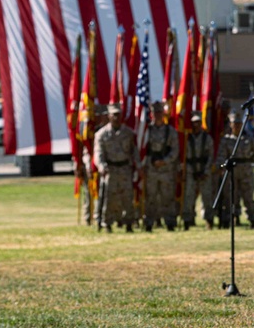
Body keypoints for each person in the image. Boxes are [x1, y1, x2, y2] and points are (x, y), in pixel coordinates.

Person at [214, 112, 254, 229]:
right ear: (230, 125)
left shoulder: (249, 139)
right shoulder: (226, 140)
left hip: (246, 171)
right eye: (234, 124)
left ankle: (252, 219)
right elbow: (221, 157)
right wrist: (222, 167)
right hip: (232, 172)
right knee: (232, 197)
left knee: (248, 197)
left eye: (239, 124)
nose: (236, 126)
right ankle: (235, 218)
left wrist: (250, 160)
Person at [94, 104, 137, 233]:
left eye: (118, 114)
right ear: (109, 116)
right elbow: (98, 153)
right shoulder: (101, 134)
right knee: (109, 198)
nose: (116, 117)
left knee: (127, 197)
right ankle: (106, 223)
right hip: (110, 169)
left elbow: (134, 151)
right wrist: (101, 166)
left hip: (124, 168)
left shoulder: (128, 133)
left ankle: (129, 223)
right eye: (114, 115)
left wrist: (138, 166)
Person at [143, 100, 179, 231]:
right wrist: (148, 163)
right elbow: (142, 150)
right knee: (151, 197)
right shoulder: (146, 131)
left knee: (167, 197)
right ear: (151, 113)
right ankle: (149, 223)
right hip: (151, 169)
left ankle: (170, 222)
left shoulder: (170, 131)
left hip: (166, 169)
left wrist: (165, 161)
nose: (157, 115)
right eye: (155, 112)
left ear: (163, 114)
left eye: (159, 112)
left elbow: (175, 150)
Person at [182, 112, 215, 229]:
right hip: (191, 172)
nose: (195, 125)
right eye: (193, 123)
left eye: (198, 122)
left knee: (207, 197)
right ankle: (187, 219)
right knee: (189, 197)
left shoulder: (207, 138)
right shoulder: (187, 138)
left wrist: (205, 171)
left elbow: (211, 156)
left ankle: (209, 220)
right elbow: (185, 158)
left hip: (204, 171)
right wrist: (190, 171)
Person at [77, 104, 108, 227]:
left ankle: (100, 216)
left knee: (102, 193)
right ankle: (88, 218)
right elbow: (84, 148)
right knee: (88, 194)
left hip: (102, 165)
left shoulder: (104, 131)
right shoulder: (88, 130)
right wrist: (86, 164)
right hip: (89, 164)